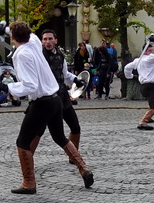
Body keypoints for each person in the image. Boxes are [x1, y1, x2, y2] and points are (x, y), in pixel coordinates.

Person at [6, 22, 93, 194]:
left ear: (13, 38)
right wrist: (7, 29)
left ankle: (29, 183)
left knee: (22, 142)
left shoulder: (22, 54)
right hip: (55, 100)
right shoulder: (33, 44)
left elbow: (30, 85)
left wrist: (8, 88)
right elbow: (30, 35)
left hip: (42, 103)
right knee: (59, 137)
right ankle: (84, 169)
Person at [41, 29, 85, 153]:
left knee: (75, 127)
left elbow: (65, 74)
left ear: (55, 40)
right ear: (42, 41)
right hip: (47, 100)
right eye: (45, 39)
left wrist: (76, 80)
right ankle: (27, 158)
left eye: (50, 39)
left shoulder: (60, 55)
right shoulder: (40, 57)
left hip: (62, 97)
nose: (48, 41)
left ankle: (73, 156)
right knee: (38, 132)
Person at [124, 38, 154, 129]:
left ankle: (149, 118)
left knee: (153, 101)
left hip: (144, 86)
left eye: (152, 50)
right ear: (145, 50)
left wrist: (129, 76)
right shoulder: (149, 59)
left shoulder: (137, 60)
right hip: (148, 85)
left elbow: (127, 68)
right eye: (150, 50)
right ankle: (143, 121)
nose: (151, 52)